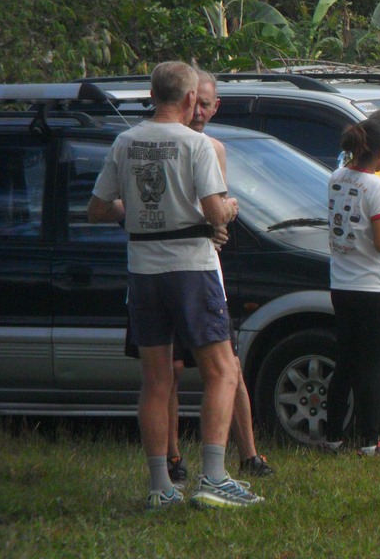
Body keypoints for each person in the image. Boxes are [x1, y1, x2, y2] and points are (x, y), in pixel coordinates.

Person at [87, 61, 262, 510]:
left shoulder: (125, 142)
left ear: (152, 94)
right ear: (188, 99)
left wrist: (137, 209)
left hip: (142, 269)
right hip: (190, 266)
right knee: (222, 371)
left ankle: (161, 485)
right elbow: (215, 212)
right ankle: (214, 477)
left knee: (156, 379)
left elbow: (98, 209)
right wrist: (231, 207)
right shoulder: (196, 144)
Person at [165, 70, 275, 485]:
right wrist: (217, 217)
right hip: (168, 267)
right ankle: (173, 458)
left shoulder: (213, 149)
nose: (199, 112)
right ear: (185, 99)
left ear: (215, 107)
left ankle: (249, 454)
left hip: (205, 268)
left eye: (206, 105)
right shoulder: (163, 144)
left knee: (229, 366)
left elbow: (219, 208)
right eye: (195, 103)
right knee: (170, 369)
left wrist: (221, 225)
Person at [325, 118, 380, 456]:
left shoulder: (336, 177)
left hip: (341, 282)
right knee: (372, 366)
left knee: (345, 362)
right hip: (373, 287)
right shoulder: (377, 187)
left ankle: (333, 436)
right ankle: (369, 441)